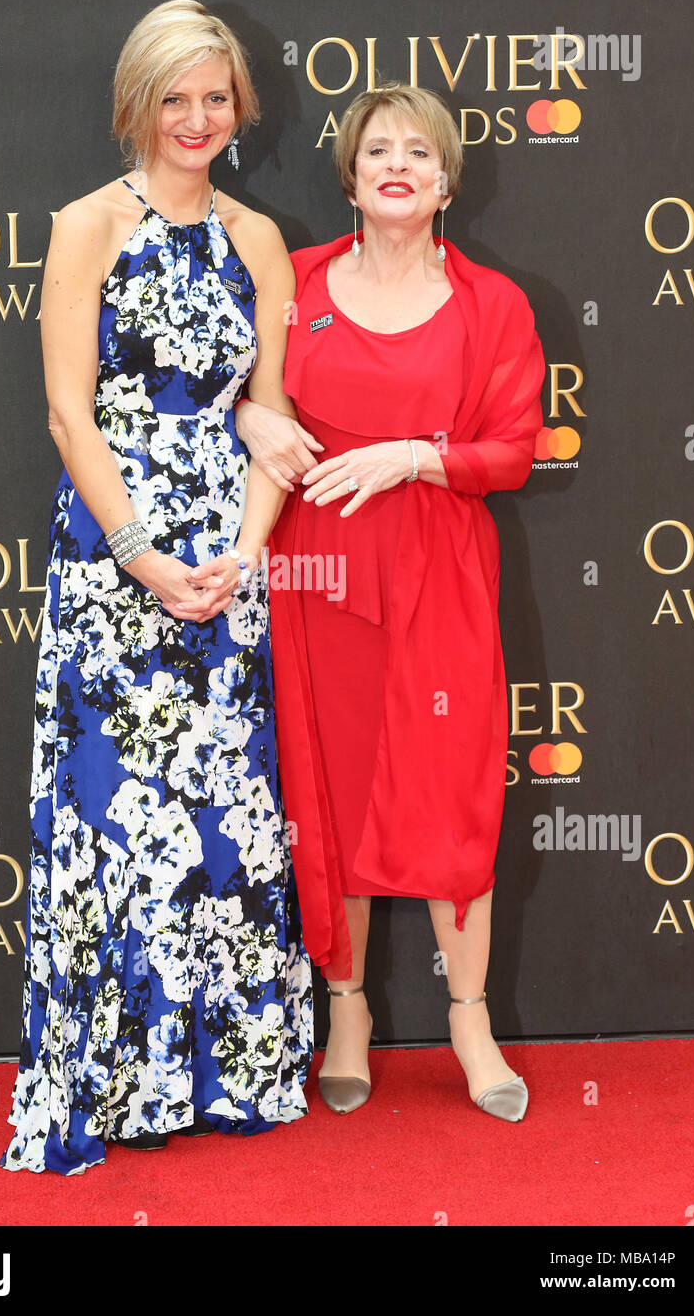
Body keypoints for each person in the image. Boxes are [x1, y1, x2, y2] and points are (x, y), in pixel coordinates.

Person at [0, 0, 312, 1176]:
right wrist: (136, 548)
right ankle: (106, 1084)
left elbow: (270, 414)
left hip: (230, 545)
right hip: (112, 546)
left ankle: (223, 1071)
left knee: (219, 815)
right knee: (110, 813)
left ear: (239, 106)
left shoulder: (259, 237)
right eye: (172, 97)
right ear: (136, 103)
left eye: (214, 97)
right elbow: (66, 411)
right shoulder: (86, 225)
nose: (195, 119)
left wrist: (243, 549)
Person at [235, 83, 545, 1122]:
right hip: (316, 571)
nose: (397, 164)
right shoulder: (295, 279)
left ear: (447, 179)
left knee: (451, 788)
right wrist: (245, 417)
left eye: (418, 150)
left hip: (439, 572)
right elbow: (221, 386)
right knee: (332, 785)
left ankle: (468, 1018)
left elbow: (511, 449)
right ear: (349, 176)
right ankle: (347, 1007)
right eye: (376, 150)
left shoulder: (491, 304)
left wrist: (420, 455)